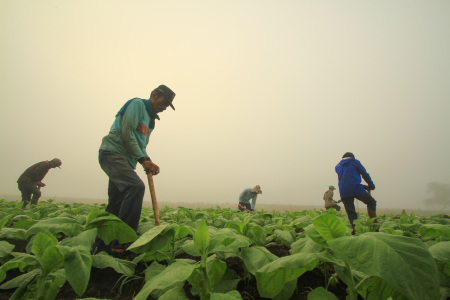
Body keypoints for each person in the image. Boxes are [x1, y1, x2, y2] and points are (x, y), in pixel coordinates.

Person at [92, 84, 176, 254]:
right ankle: (123, 241)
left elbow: (140, 144)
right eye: (164, 102)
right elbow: (127, 133)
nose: (165, 108)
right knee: (135, 187)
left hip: (126, 161)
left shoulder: (151, 121)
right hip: (113, 153)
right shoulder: (137, 105)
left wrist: (149, 161)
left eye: (168, 106)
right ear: (154, 95)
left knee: (116, 205)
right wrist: (143, 160)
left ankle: (100, 248)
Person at [335, 152, 377, 235]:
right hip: (356, 189)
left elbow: (347, 180)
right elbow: (364, 174)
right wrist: (371, 185)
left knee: (351, 212)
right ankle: (376, 225)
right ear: (352, 157)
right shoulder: (355, 162)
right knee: (371, 202)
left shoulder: (337, 166)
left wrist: (364, 186)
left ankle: (355, 230)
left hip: (343, 191)